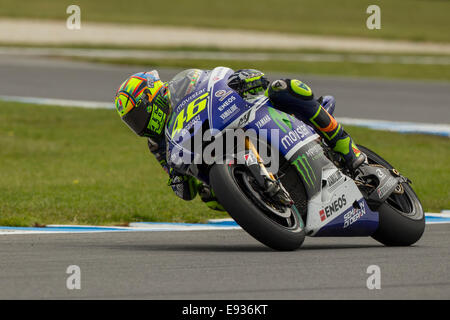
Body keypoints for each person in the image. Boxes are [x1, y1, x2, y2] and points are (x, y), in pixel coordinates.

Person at [114, 68, 366, 211]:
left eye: (137, 115)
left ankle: (350, 152)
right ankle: (268, 205)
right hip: (214, 150)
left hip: (238, 113)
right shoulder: (158, 145)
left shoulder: (183, 83)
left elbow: (214, 79)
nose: (137, 125)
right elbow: (185, 189)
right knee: (210, 195)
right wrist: (178, 179)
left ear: (152, 101)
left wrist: (243, 78)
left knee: (285, 87)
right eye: (131, 122)